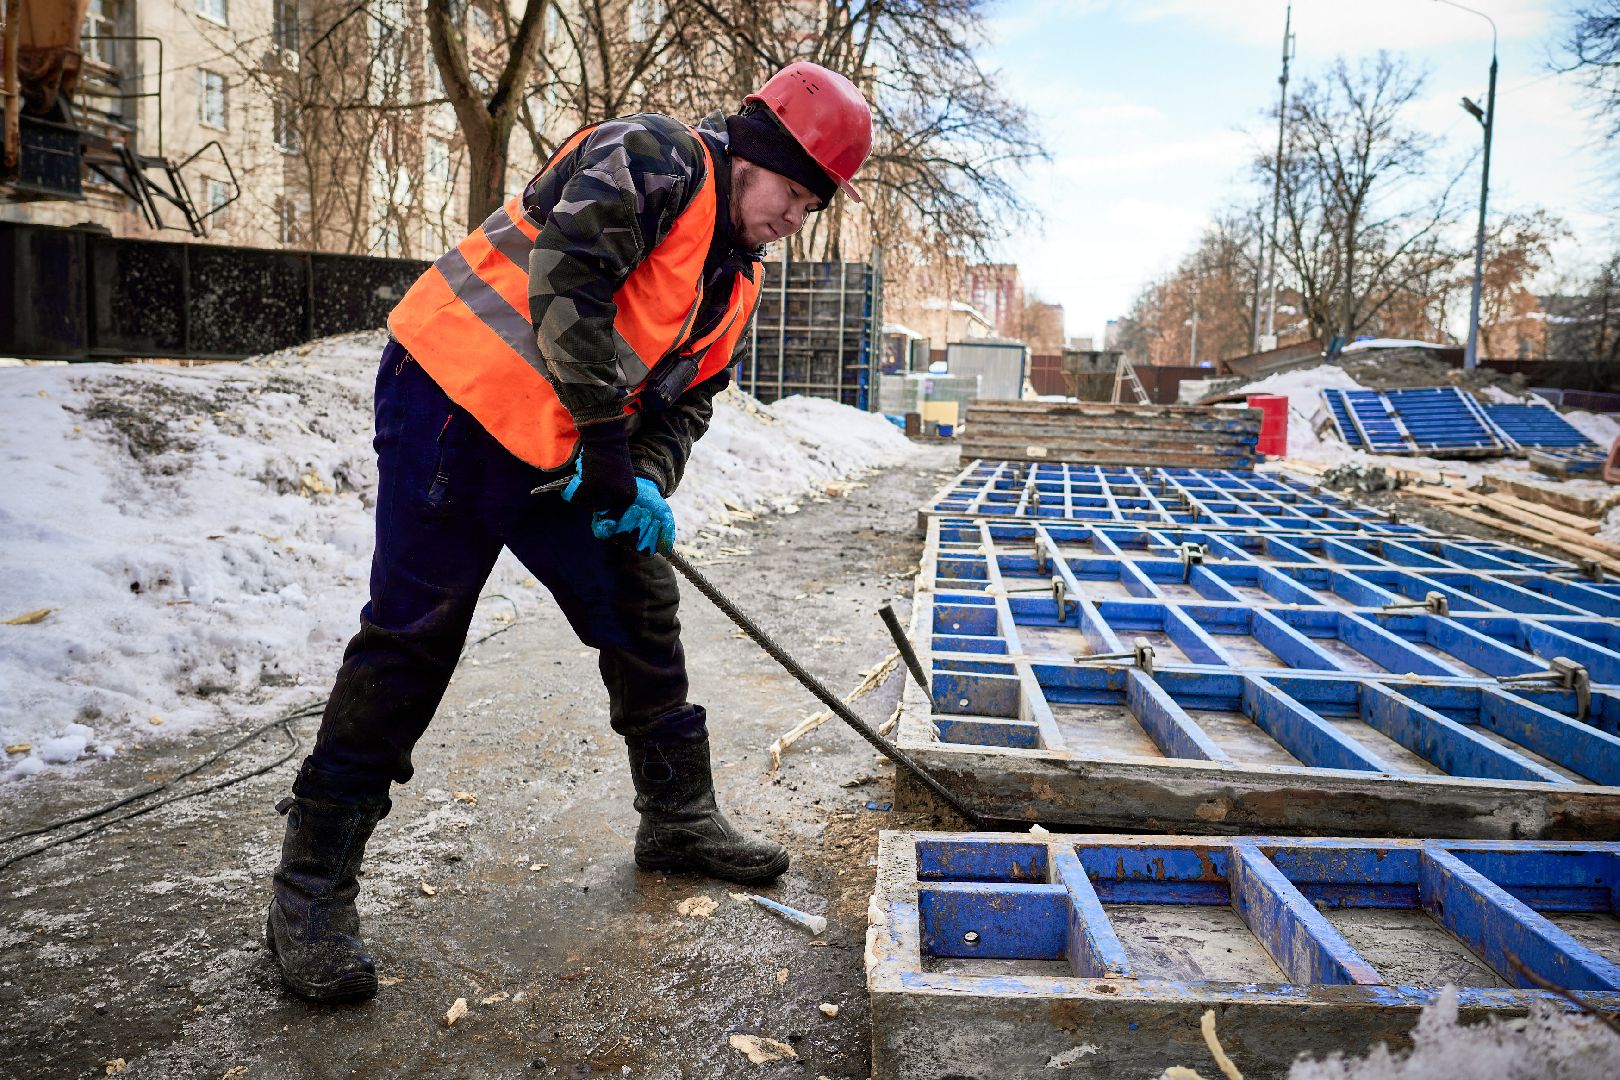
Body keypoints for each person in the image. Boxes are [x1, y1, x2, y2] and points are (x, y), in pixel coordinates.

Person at [262, 62, 873, 1003]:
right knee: (416, 633)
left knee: (638, 598)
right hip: (455, 401)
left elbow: (685, 403)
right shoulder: (656, 156)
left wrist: (646, 477)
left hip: (565, 443)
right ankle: (310, 884)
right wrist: (606, 443)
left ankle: (677, 815)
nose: (797, 217)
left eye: (812, 206)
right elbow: (568, 279)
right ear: (757, 154)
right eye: (794, 192)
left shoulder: (736, 285)